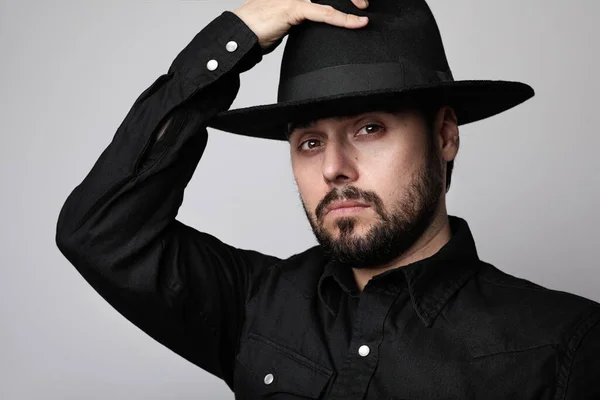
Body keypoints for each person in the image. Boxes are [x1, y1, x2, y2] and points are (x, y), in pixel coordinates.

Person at [55, 0, 600, 398]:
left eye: (369, 128)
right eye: (310, 141)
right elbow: (98, 231)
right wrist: (236, 37)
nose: (334, 167)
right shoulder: (254, 306)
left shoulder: (563, 345)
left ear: (444, 136)